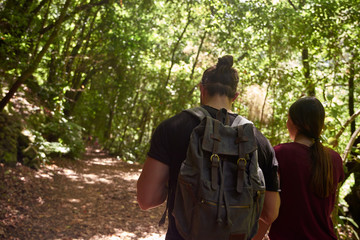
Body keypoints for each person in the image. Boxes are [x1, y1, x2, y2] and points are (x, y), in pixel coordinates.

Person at [137, 55, 280, 240]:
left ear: (202, 89)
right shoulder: (257, 141)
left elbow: (146, 199)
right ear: (235, 96)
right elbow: (270, 213)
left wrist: (176, 183)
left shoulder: (172, 128)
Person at [268, 97, 345, 240]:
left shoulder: (279, 153)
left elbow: (269, 208)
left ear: (295, 123)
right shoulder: (334, 159)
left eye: (288, 119)